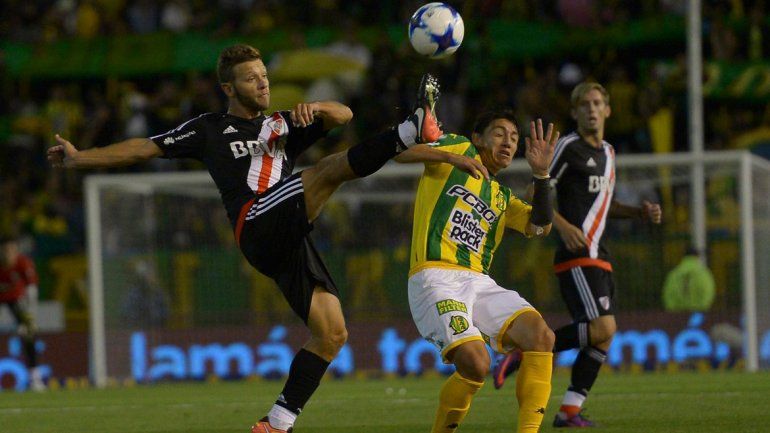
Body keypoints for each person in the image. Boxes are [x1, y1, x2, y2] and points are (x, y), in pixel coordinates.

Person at [47, 45, 485, 433]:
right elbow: (145, 146)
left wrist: (315, 107)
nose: (262, 83)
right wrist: (80, 157)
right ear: (229, 89)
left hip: (289, 237)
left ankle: (277, 422)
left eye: (265, 76)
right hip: (254, 221)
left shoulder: (284, 123)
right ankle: (410, 129)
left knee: (332, 333)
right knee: (328, 170)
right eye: (251, 78)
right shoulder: (209, 129)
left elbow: (344, 115)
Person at [492, 82, 662, 428]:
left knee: (604, 335)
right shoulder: (568, 147)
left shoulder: (610, 153)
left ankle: (570, 410)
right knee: (603, 326)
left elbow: (603, 205)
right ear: (575, 112)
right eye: (584, 104)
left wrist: (637, 213)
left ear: (608, 110)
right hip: (576, 253)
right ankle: (527, 352)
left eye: (598, 103)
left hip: (600, 252)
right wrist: (562, 224)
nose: (591, 109)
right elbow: (532, 191)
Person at [394, 107, 560, 433]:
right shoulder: (458, 148)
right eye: (499, 133)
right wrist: (450, 159)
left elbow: (541, 225)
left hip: (479, 281)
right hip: (434, 276)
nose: (508, 142)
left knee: (541, 336)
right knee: (476, 363)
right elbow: (399, 154)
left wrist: (541, 176)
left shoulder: (501, 197)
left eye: (514, 138)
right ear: (478, 138)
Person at [0, 235, 45, 391]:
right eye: (5, 250)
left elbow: (32, 289)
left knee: (29, 334)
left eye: (12, 250)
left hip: (16, 301)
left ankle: (35, 378)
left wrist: (29, 317)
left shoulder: (23, 263)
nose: (8, 254)